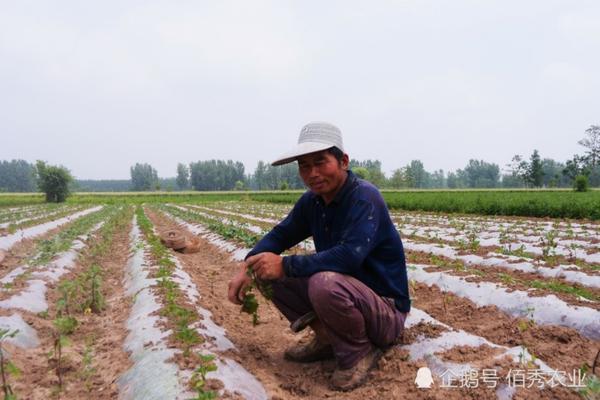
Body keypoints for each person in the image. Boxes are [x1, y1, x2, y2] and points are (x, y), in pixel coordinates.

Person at [227, 122, 410, 391]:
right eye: (304, 166)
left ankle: (358, 351)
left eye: (320, 162)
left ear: (343, 161)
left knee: (322, 282)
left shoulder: (365, 198)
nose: (312, 173)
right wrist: (249, 264)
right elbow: (281, 234)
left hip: (384, 311)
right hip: (349, 295)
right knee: (268, 269)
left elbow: (349, 257)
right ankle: (327, 339)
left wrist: (286, 265)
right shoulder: (312, 201)